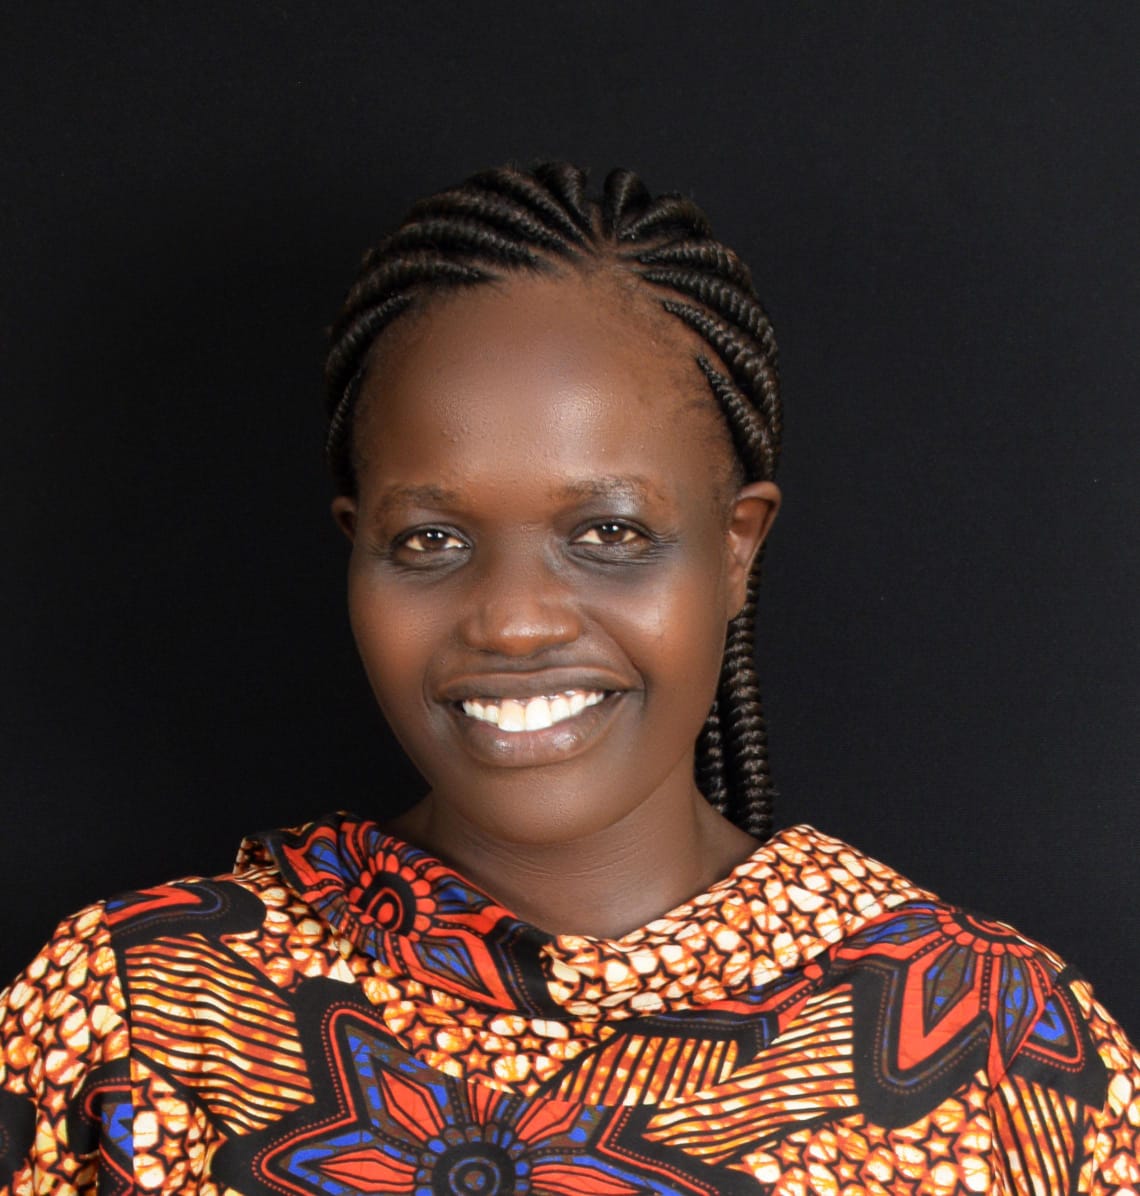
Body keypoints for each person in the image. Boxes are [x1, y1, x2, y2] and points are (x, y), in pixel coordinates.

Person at [0, 161, 1136, 1196]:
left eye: (610, 532)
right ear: (356, 550)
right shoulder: (133, 1015)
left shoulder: (997, 1044)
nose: (513, 619)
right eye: (430, 540)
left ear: (736, 548)